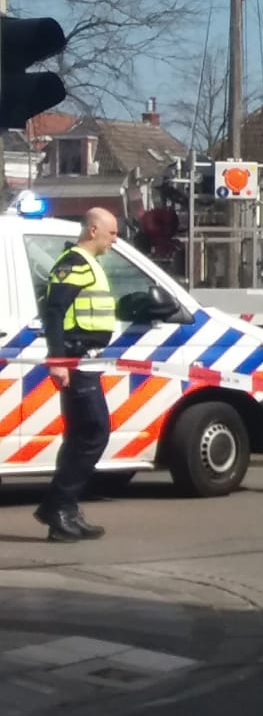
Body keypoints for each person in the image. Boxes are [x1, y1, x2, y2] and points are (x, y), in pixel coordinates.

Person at [36, 208, 120, 542]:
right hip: (75, 360)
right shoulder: (74, 264)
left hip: (86, 361)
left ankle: (64, 510)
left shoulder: (88, 265)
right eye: (112, 233)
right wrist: (58, 359)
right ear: (94, 230)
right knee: (94, 432)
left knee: (81, 434)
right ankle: (58, 505)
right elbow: (54, 311)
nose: (115, 239)